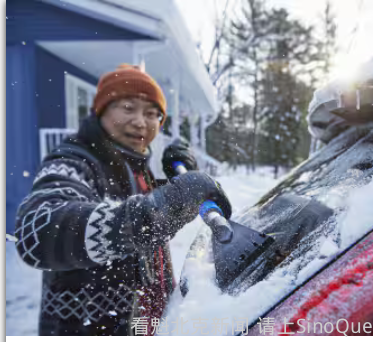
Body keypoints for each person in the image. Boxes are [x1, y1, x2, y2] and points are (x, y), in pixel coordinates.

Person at [14, 64, 232, 336]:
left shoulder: (134, 165)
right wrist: (168, 203)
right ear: (102, 111)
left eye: (153, 114)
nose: (141, 122)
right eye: (128, 108)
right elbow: (38, 231)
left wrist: (173, 184)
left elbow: (131, 206)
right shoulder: (73, 161)